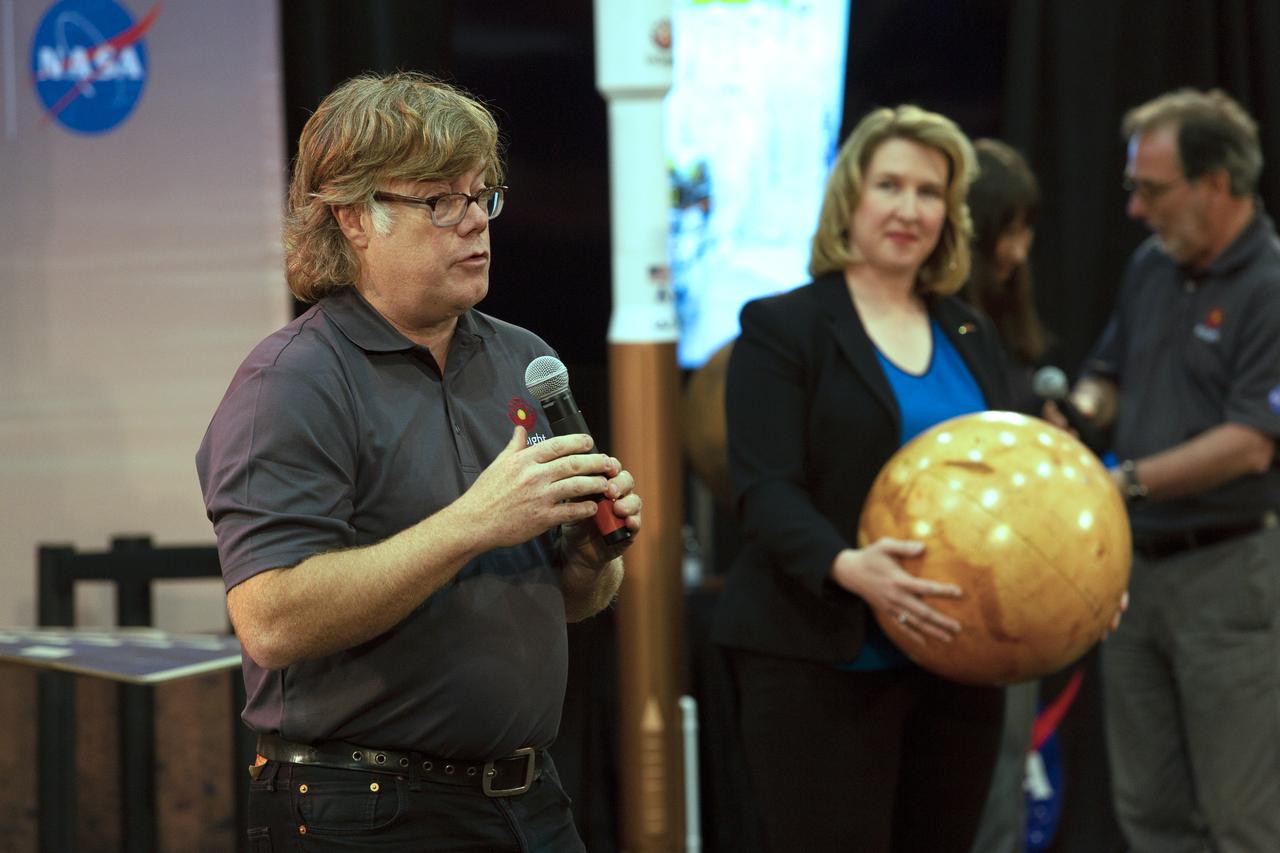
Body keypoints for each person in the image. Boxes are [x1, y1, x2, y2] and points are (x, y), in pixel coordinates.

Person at [196, 71, 640, 852]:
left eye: (483, 195)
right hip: (362, 811)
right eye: (440, 201)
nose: (475, 223)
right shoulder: (293, 381)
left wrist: (591, 551)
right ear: (353, 217)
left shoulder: (523, 360)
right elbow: (270, 619)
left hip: (529, 797)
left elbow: (573, 600)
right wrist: (474, 523)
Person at [713, 105, 1013, 852]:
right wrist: (852, 568)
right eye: (890, 185)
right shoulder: (783, 327)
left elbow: (1017, 483)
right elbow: (764, 487)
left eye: (930, 191)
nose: (910, 209)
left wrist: (1085, 573)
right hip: (820, 655)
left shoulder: (972, 334)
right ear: (850, 198)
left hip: (958, 664)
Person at [1062, 88, 1280, 852]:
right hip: (1134, 574)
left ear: (1215, 185)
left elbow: (1253, 439)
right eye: (1133, 188)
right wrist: (1077, 412)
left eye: (1151, 190)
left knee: (1242, 814)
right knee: (1148, 809)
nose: (1135, 209)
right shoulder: (1151, 266)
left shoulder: (1269, 287)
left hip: (1228, 575)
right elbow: (1106, 369)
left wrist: (1123, 481)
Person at [963, 138, 1048, 853]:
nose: (1018, 251)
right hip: (943, 585)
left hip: (1011, 590)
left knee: (1001, 783)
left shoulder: (1003, 330)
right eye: (1009, 231)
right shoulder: (946, 331)